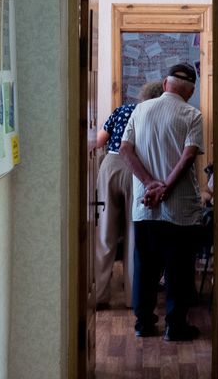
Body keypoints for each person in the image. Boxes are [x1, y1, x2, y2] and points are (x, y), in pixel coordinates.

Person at [120, 63, 205, 342]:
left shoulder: (140, 109)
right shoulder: (191, 114)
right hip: (179, 208)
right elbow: (189, 155)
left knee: (145, 265)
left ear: (165, 85)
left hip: (145, 205)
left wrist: (149, 184)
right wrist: (165, 187)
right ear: (190, 91)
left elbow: (125, 149)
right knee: (178, 268)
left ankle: (143, 323)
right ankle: (175, 326)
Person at [92, 80, 164, 308]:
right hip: (138, 168)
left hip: (111, 165)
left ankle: (100, 295)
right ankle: (135, 298)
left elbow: (99, 141)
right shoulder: (157, 116)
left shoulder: (122, 110)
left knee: (105, 232)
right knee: (135, 234)